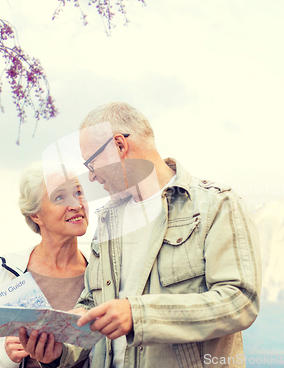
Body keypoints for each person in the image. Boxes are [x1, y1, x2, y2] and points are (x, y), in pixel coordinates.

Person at [20, 102, 262, 368]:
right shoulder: (109, 220)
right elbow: (91, 305)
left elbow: (240, 300)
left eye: (91, 163)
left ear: (120, 146)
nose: (90, 177)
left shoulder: (215, 205)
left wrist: (139, 315)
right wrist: (59, 351)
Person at [0, 161, 90, 368]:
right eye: (60, 197)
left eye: (78, 192)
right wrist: (4, 354)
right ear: (35, 215)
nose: (76, 204)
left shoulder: (102, 273)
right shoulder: (3, 271)